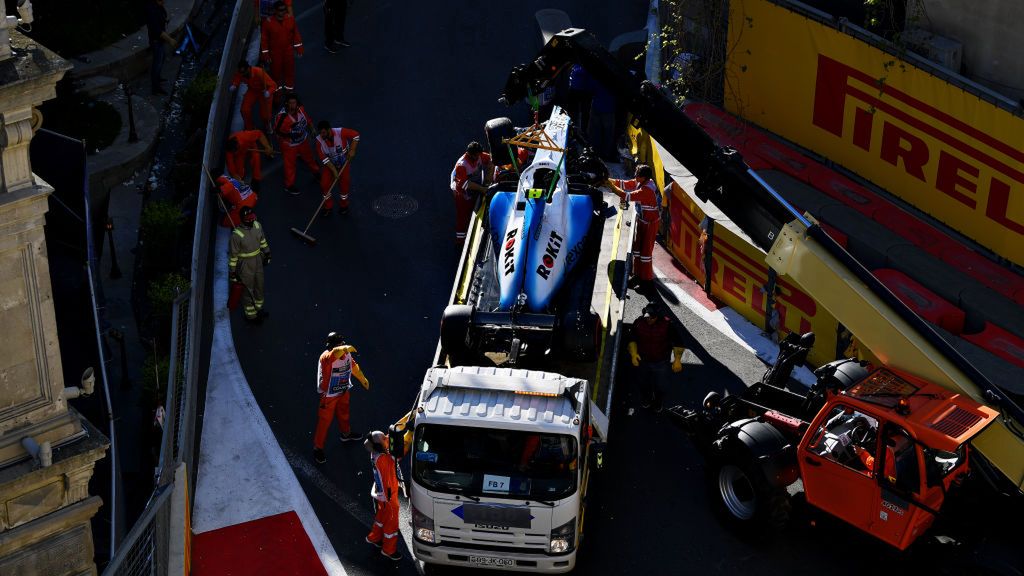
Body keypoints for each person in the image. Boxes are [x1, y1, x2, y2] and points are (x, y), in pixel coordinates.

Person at [314, 332, 370, 464]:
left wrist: (362, 378)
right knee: (324, 421)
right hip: (329, 395)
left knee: (344, 413)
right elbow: (333, 354)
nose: (342, 346)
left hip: (343, 391)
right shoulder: (326, 357)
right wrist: (343, 349)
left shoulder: (346, 354)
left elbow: (353, 365)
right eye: (340, 344)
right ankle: (318, 448)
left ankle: (346, 434)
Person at [607, 164, 662, 290]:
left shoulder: (646, 190)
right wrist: (608, 180)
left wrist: (610, 187)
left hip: (650, 224)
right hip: (643, 221)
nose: (635, 176)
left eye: (637, 175)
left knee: (645, 254)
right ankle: (637, 275)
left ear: (643, 178)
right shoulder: (642, 182)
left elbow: (626, 196)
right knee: (637, 250)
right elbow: (625, 184)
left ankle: (646, 282)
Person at [627, 302, 685, 411]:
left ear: (658, 316)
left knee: (661, 384)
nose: (649, 320)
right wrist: (633, 354)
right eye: (647, 317)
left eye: (652, 318)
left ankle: (658, 400)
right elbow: (631, 339)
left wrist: (677, 360)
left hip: (661, 361)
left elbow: (678, 343)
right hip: (643, 360)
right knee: (643, 382)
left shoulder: (668, 325)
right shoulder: (639, 323)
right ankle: (646, 398)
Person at [364, 430, 403, 561]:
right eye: (384, 439)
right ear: (379, 445)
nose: (386, 439)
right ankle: (388, 550)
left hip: (382, 496)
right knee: (391, 525)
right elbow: (397, 455)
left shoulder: (375, 454)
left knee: (381, 518)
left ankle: (374, 538)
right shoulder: (384, 460)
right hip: (389, 497)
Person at [228, 207, 271, 323]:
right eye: (249, 219)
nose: (252, 221)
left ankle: (259, 309)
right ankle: (251, 316)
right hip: (245, 265)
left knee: (259, 286)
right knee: (247, 290)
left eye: (252, 218)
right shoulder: (236, 235)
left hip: (258, 260)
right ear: (243, 220)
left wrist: (267, 253)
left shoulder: (257, 225)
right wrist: (232, 272)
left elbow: (262, 241)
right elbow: (233, 256)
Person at [273, 92, 319, 195]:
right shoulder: (282, 118)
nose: (292, 106)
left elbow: (308, 120)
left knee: (310, 158)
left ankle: (316, 172)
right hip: (290, 145)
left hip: (303, 140)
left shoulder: (301, 110)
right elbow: (277, 133)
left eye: (294, 103)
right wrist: (289, 137)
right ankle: (289, 185)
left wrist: (312, 129)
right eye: (290, 103)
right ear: (286, 104)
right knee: (290, 165)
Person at [450, 141, 492, 245]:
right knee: (463, 217)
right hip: (462, 195)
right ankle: (460, 242)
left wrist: (488, 178)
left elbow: (492, 159)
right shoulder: (462, 165)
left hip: (475, 189)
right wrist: (482, 189)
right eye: (477, 155)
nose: (480, 156)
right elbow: (465, 184)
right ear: (471, 154)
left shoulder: (479, 155)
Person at [314, 120, 360, 216]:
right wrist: (334, 171)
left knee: (344, 185)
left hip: (344, 163)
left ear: (329, 130)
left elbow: (356, 135)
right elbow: (324, 159)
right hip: (330, 165)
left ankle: (344, 205)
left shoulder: (340, 132)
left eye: (323, 133)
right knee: (324, 184)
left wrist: (352, 150)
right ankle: (328, 207)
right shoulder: (319, 141)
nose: (321, 135)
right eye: (320, 133)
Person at [260, 1, 303, 95]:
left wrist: (299, 48)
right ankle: (277, 94)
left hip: (288, 51)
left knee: (289, 71)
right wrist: (266, 55)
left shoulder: (290, 19)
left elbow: (296, 34)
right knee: (276, 74)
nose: (283, 12)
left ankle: (289, 91)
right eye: (280, 10)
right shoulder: (268, 23)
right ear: (275, 11)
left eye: (284, 10)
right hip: (275, 53)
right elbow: (264, 40)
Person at [230, 60, 278, 132]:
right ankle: (250, 128)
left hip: (264, 92)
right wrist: (234, 84)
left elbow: (273, 85)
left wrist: (268, 92)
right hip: (253, 91)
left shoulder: (259, 72)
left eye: (244, 73)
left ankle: (267, 124)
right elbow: (237, 77)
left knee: (266, 115)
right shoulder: (241, 73)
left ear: (248, 68)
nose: (243, 75)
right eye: (242, 73)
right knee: (244, 110)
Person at [146, 0, 176, 95]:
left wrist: (165, 20)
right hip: (156, 41)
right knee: (157, 64)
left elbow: (162, 15)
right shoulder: (152, 11)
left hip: (160, 40)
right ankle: (155, 88)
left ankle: (157, 78)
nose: (164, 2)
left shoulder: (159, 6)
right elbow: (157, 31)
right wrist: (170, 40)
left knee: (161, 59)